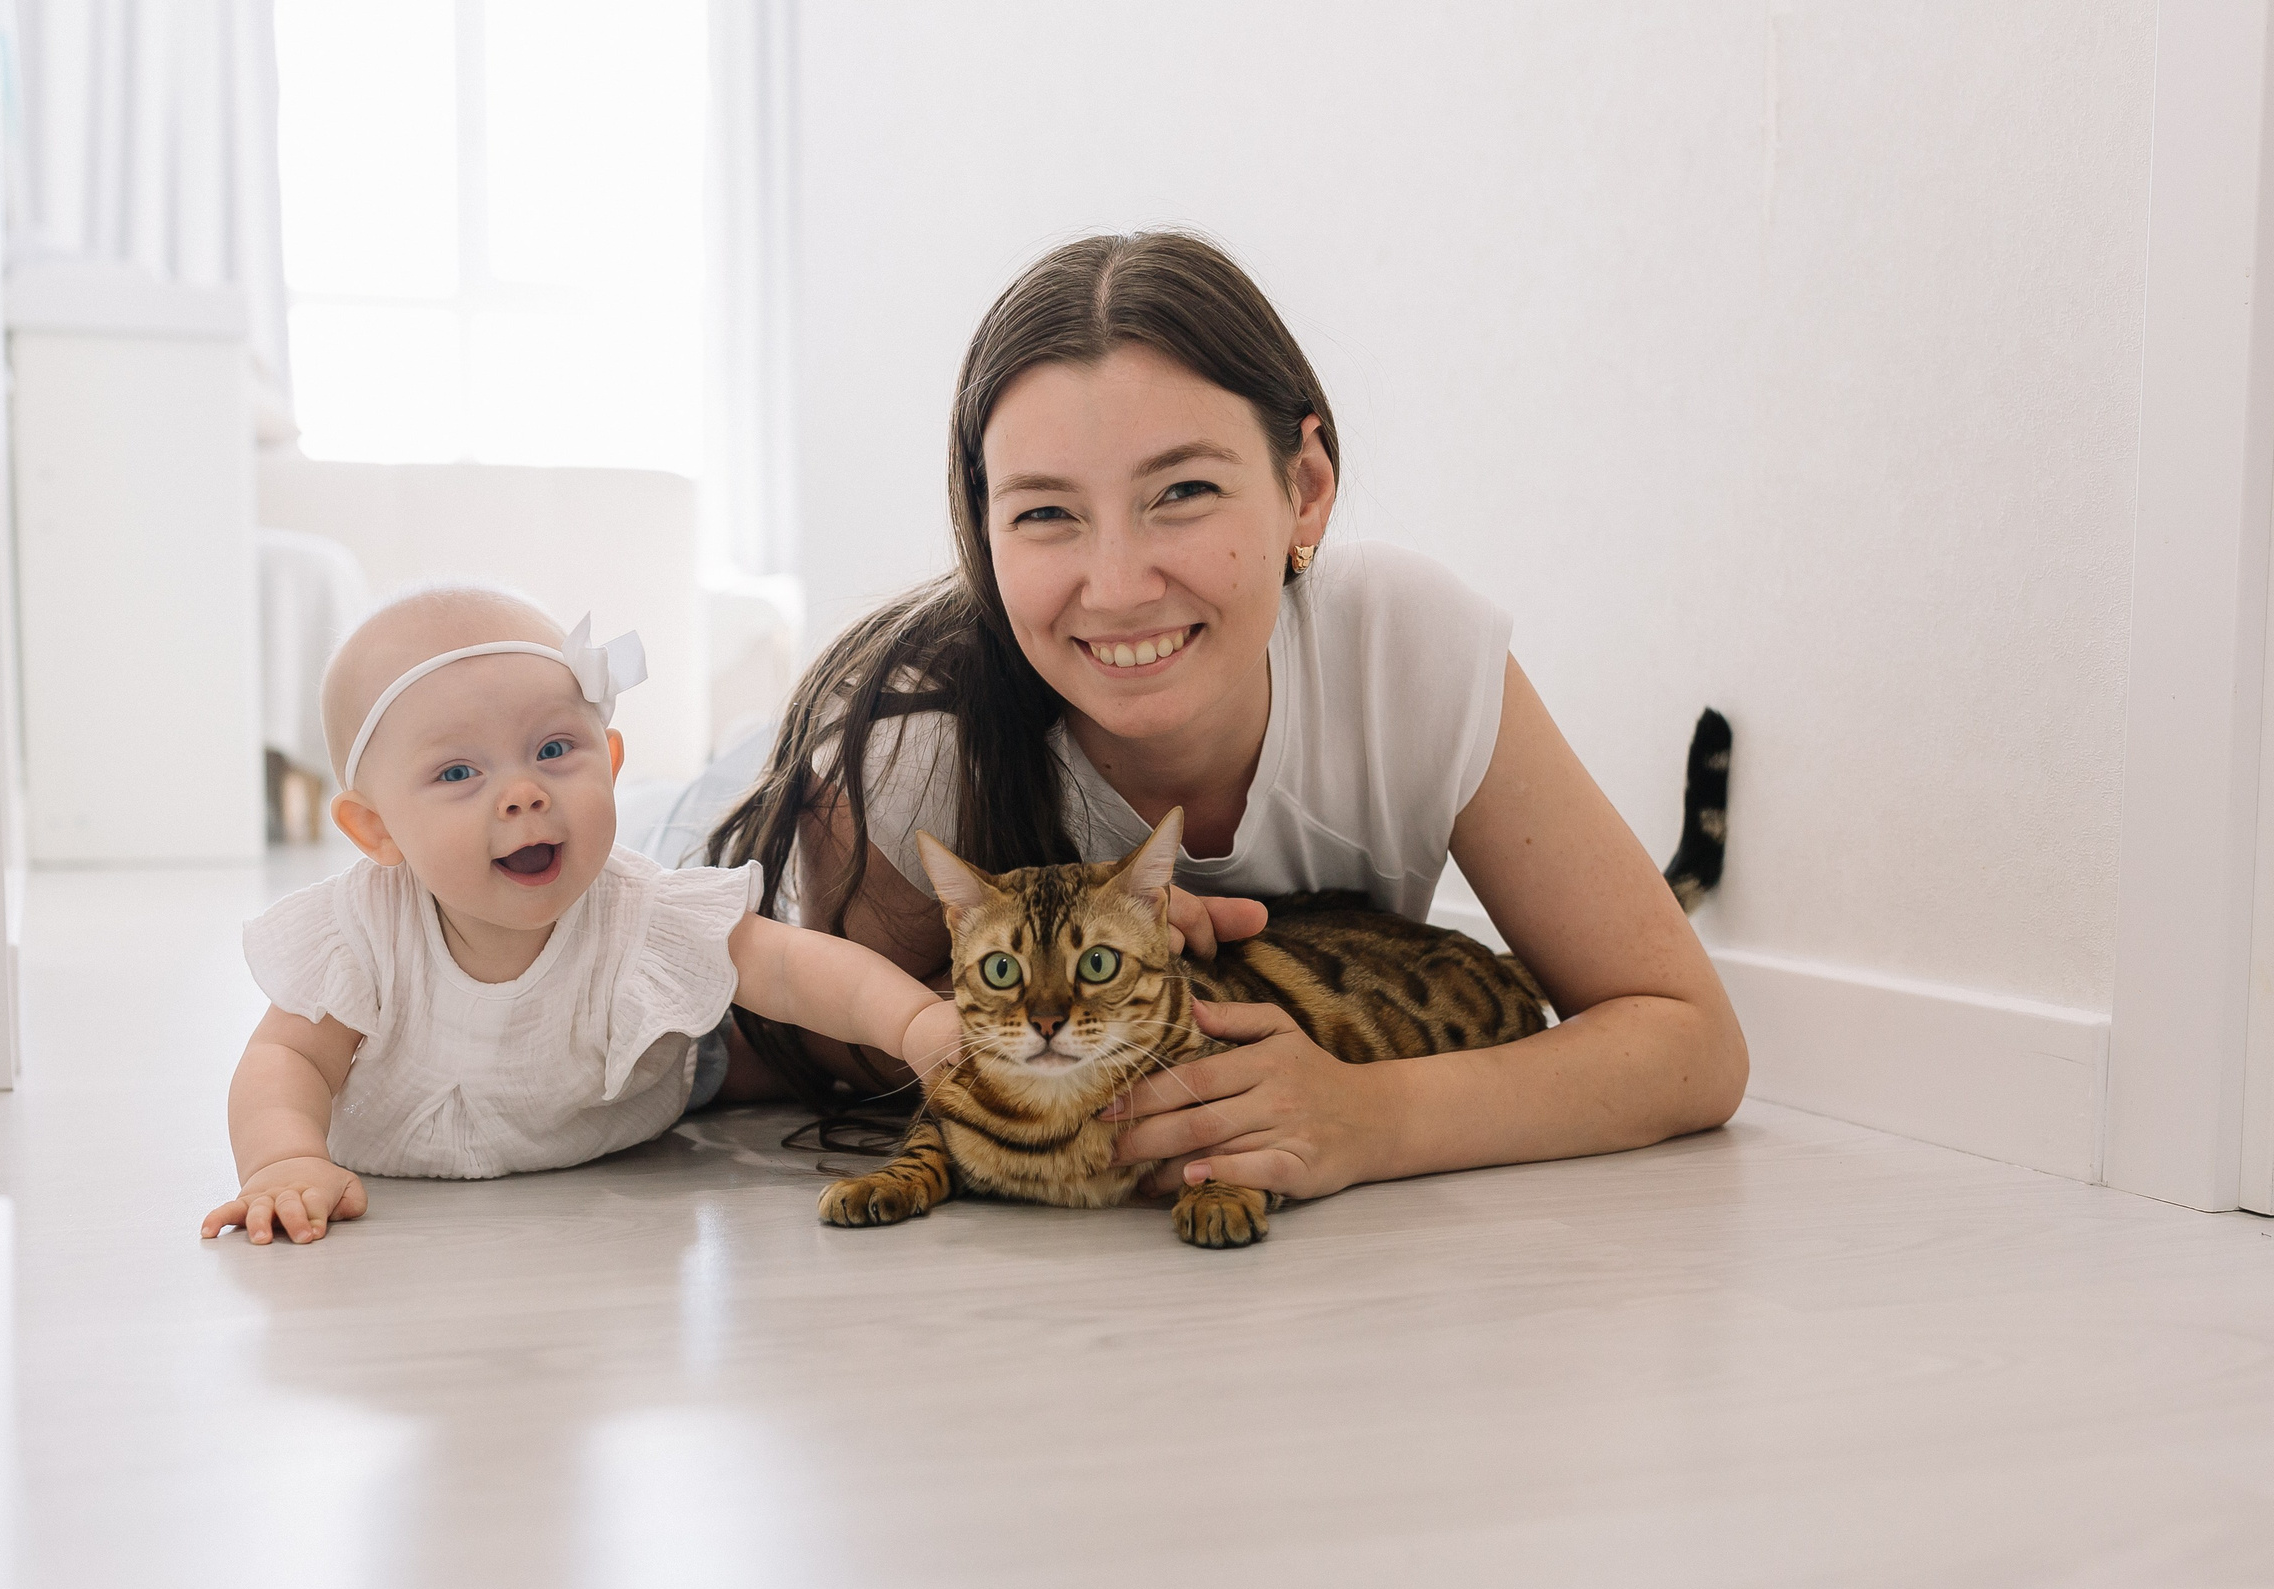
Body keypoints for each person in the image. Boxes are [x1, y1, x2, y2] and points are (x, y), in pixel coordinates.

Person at [708, 230, 1747, 1202]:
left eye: (1182, 492)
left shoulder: (1403, 644)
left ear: (1305, 487)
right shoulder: (907, 748)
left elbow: (1692, 1044)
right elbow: (813, 1043)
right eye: (1043, 512)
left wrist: (1367, 1117)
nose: (1115, 587)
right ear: (981, 531)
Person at [201, 586, 959, 1245]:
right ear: (377, 830)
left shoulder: (638, 908)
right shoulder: (363, 932)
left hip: (632, 1089)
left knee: (755, 1045)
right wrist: (283, 1159)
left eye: (555, 748)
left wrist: (916, 1023)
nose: (524, 793)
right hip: (419, 1132)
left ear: (612, 761)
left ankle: (740, 761)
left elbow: (788, 966)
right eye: (459, 771)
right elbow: (287, 1059)